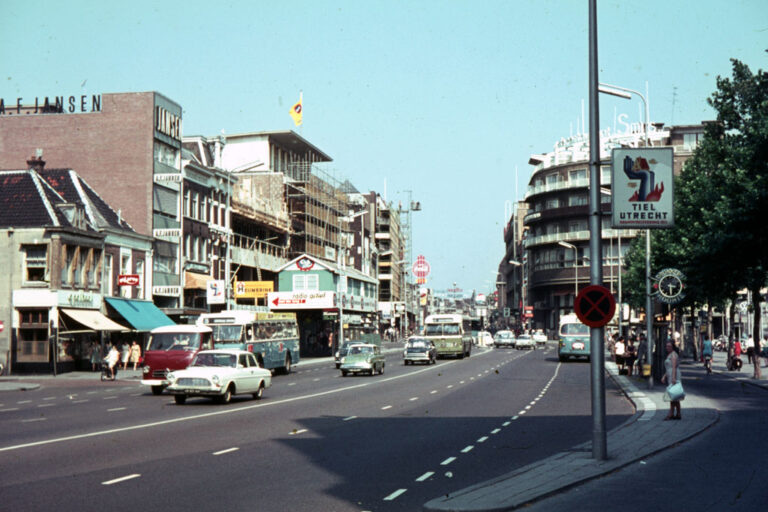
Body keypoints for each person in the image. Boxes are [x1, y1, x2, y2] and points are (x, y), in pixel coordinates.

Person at [661, 341, 682, 420]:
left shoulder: (673, 355)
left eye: (669, 346)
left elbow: (673, 367)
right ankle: (677, 413)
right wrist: (664, 376)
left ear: (673, 347)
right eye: (666, 346)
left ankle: (671, 413)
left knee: (673, 394)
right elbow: (668, 367)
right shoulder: (669, 355)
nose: (667, 348)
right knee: (674, 395)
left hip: (674, 375)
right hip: (670, 374)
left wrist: (673, 378)